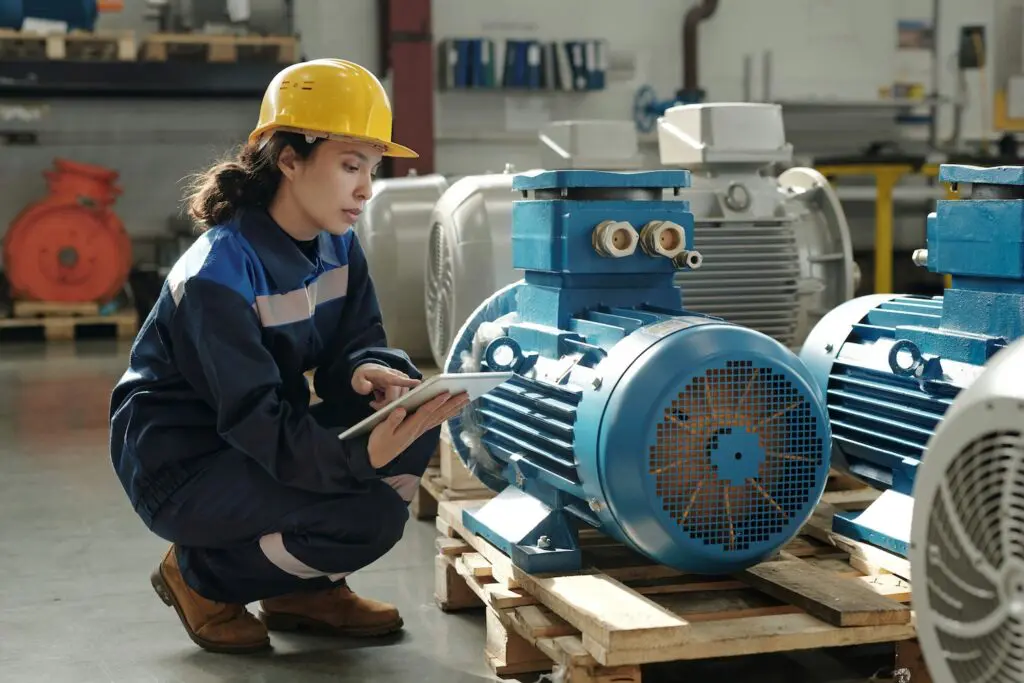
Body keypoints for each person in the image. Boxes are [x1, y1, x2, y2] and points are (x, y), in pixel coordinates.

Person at [108, 58, 469, 655]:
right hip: (183, 468)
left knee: (411, 428)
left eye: (372, 168)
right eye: (351, 165)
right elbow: (255, 418)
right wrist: (358, 453)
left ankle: (299, 591)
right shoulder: (217, 274)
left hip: (258, 437)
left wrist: (364, 371)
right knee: (367, 516)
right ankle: (199, 577)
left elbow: (356, 340)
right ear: (289, 159)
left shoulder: (337, 246)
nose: (366, 189)